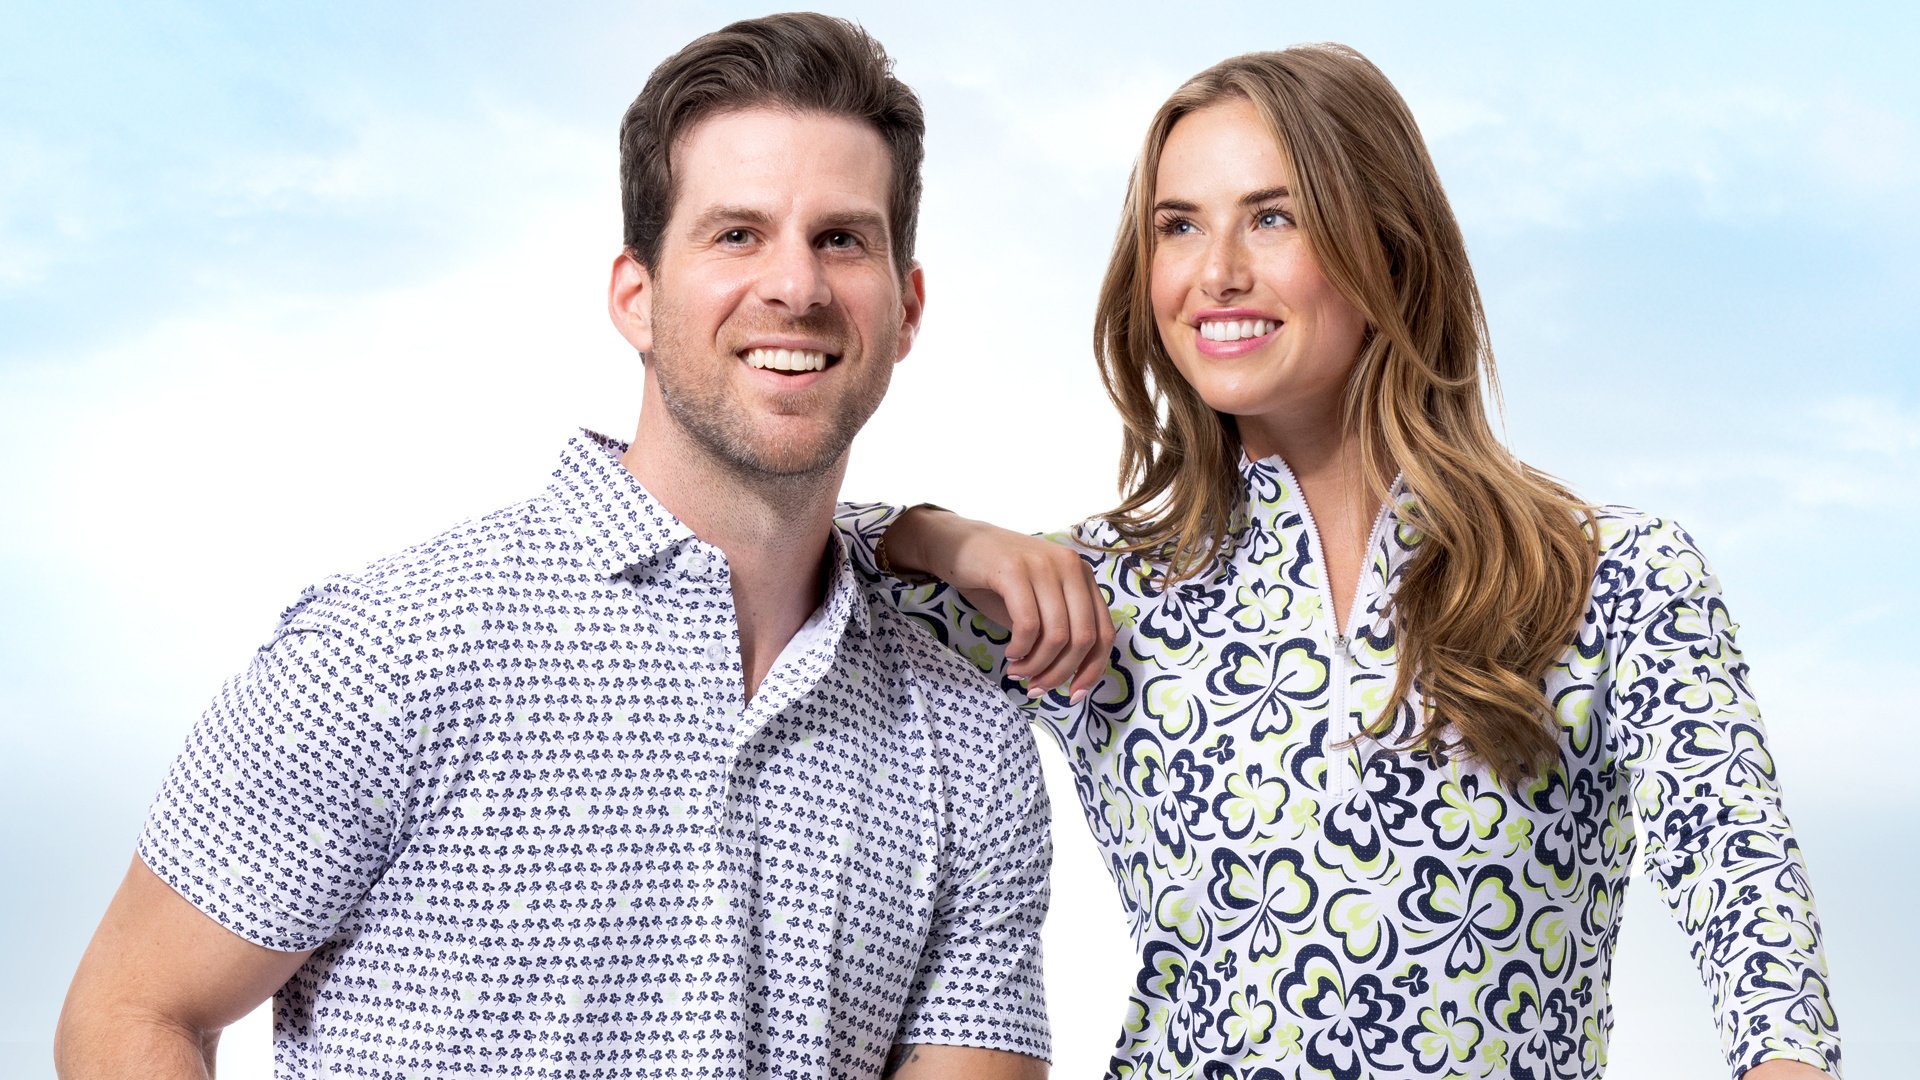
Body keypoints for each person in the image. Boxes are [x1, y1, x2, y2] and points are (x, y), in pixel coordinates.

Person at [54, 14, 1051, 1080]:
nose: (795, 288)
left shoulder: (969, 745)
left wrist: (927, 533)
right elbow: (129, 1013)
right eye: (736, 235)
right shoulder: (390, 653)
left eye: (841, 239)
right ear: (637, 296)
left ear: (905, 308)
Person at [839, 44, 1840, 1080]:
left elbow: (1748, 900)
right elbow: (760, 537)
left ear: (1389, 247)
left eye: (1274, 217)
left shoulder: (1607, 575)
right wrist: (934, 530)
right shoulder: (1104, 591)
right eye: (1179, 225)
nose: (1217, 270)